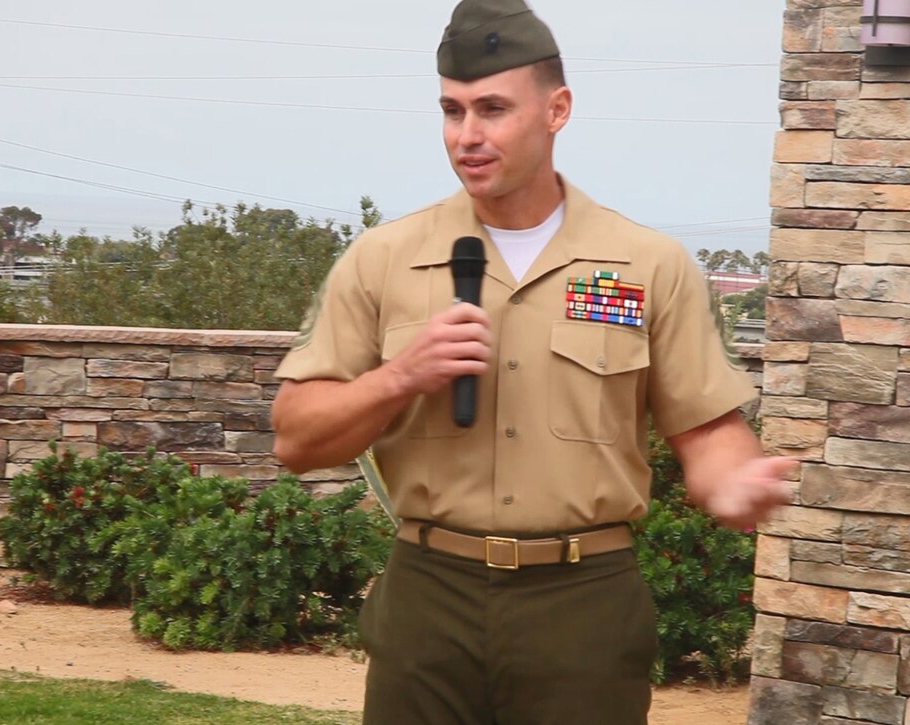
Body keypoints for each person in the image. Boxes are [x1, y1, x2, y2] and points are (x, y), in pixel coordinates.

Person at [271, 0, 792, 722]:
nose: (468, 136)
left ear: (557, 110)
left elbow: (706, 431)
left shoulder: (647, 265)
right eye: (452, 112)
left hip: (582, 606)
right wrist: (398, 376)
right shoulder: (382, 260)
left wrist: (735, 480)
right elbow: (295, 437)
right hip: (429, 598)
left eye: (492, 109)